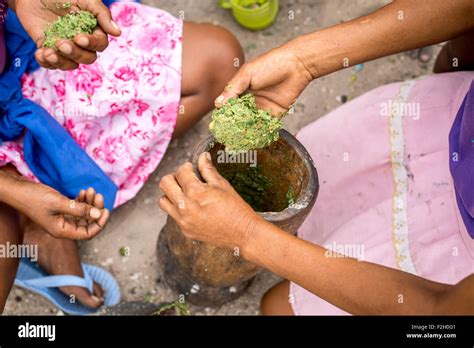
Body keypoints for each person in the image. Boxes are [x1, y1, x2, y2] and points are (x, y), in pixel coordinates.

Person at [159, 0, 474, 315]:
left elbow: (440, 313)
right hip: (450, 130)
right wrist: (304, 61)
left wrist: (248, 235)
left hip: (449, 263)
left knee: (275, 307)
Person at [0, 0, 243, 312]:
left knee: (222, 62)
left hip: (25, 55)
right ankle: (29, 213)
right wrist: (16, 193)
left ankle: (39, 203)